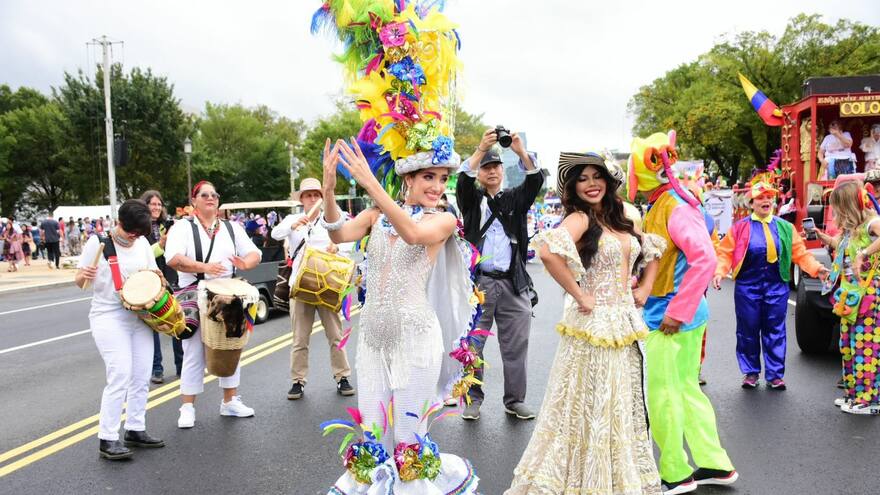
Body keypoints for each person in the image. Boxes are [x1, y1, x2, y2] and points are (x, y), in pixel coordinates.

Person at [322, 137, 479, 493]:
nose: (437, 186)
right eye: (429, 177)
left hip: (416, 340)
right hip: (373, 340)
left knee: (409, 441)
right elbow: (340, 232)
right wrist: (329, 191)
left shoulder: (443, 221)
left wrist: (370, 184)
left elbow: (412, 235)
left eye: (442, 178)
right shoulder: (376, 216)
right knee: (372, 439)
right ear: (408, 178)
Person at [507, 152, 664, 494]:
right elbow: (548, 251)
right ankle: (586, 481)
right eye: (583, 178)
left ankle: (615, 479)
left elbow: (651, 251)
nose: (591, 184)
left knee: (620, 403)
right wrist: (580, 295)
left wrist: (647, 287)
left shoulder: (623, 216)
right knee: (590, 403)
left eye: (597, 176)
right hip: (592, 326)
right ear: (574, 187)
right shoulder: (579, 219)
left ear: (608, 181)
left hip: (624, 323)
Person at [629, 131, 737, 493]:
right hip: (677, 312)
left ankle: (675, 470)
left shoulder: (673, 205)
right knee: (686, 388)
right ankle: (714, 463)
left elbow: (704, 258)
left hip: (672, 317)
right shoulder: (669, 203)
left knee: (664, 392)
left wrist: (677, 310)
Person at [455, 129, 543, 421]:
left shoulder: (515, 199)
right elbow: (462, 180)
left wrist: (519, 152)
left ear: (503, 171)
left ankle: (515, 400)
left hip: (512, 282)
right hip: (479, 282)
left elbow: (534, 182)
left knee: (516, 346)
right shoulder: (471, 201)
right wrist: (481, 149)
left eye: (495, 166)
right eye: (486, 167)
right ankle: (473, 399)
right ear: (480, 172)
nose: (491, 171)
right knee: (473, 346)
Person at [164, 181, 262, 428]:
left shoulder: (231, 228)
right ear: (194, 201)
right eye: (204, 195)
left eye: (214, 195)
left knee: (231, 347)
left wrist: (246, 263)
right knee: (194, 352)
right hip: (195, 291)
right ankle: (187, 406)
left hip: (228, 294)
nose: (210, 198)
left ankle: (229, 402)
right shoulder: (182, 227)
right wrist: (204, 268)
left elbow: (255, 253)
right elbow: (173, 258)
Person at [714, 181, 829, 390]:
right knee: (747, 330)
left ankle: (775, 375)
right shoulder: (740, 228)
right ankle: (750, 372)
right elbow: (725, 253)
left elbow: (800, 254)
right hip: (747, 287)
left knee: (775, 330)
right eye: (760, 197)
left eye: (769, 197)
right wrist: (720, 272)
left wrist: (817, 269)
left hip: (776, 286)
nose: (766, 200)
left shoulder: (785, 227)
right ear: (751, 203)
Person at [75, 199, 166, 460]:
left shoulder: (142, 245)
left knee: (141, 375)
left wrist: (158, 279)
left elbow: (153, 273)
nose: (134, 237)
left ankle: (135, 428)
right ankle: (108, 437)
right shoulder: (99, 243)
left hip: (139, 316)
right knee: (120, 374)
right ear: (119, 223)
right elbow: (78, 281)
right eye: (131, 232)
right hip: (109, 315)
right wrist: (85, 275)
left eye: (139, 234)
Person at [271, 177, 353, 400]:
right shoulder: (293, 218)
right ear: (302, 199)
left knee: (335, 335)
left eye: (316, 194)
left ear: (322, 197)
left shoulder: (334, 219)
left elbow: (347, 244)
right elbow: (275, 234)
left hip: (327, 285)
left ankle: (342, 376)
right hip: (300, 285)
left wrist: (337, 248)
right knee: (299, 338)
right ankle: (298, 381)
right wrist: (293, 225)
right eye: (308, 195)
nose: (312, 198)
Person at [816, 180, 880, 414]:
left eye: (839, 207)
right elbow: (847, 251)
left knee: (866, 347)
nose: (836, 213)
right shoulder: (852, 230)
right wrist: (826, 239)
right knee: (848, 346)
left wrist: (865, 252)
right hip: (850, 296)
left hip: (869, 294)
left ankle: (869, 399)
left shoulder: (872, 223)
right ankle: (853, 394)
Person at [140, 190, 184, 384]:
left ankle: (182, 365)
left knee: (176, 323)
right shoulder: (140, 230)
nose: (157, 208)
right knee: (154, 327)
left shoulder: (167, 226)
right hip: (151, 283)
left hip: (171, 279)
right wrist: (161, 243)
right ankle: (156, 369)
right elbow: (144, 255)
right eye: (153, 204)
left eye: (159, 204)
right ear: (145, 206)